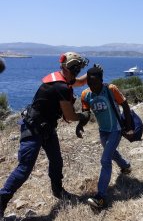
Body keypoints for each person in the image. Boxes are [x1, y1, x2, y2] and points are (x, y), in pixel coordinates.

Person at [0, 52, 91, 219]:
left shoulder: (62, 79)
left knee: (56, 161)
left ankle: (58, 191)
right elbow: (70, 116)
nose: (80, 71)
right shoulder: (61, 87)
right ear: (74, 68)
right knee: (24, 169)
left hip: (46, 128)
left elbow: (80, 82)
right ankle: (1, 199)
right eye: (79, 68)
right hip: (34, 129)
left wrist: (91, 75)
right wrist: (83, 116)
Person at [78, 64, 133, 209]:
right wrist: (79, 125)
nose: (92, 85)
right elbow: (86, 114)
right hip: (103, 131)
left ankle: (100, 197)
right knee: (112, 153)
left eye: (95, 82)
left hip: (116, 129)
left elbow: (125, 106)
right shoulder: (85, 95)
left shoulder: (111, 89)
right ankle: (126, 166)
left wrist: (129, 126)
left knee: (105, 159)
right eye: (89, 82)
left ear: (101, 80)